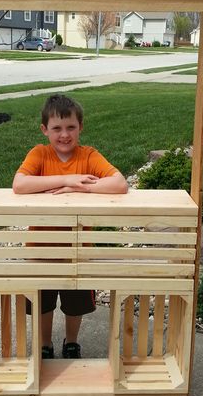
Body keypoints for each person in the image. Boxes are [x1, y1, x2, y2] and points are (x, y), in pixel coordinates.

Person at [12, 94, 128, 359]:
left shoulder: (89, 155)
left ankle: (71, 342)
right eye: (56, 128)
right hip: (40, 252)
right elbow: (19, 184)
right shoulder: (39, 154)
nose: (64, 135)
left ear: (80, 127)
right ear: (45, 130)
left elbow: (119, 183)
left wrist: (77, 187)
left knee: (74, 305)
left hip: (78, 251)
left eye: (71, 127)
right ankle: (45, 344)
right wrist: (67, 178)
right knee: (42, 304)